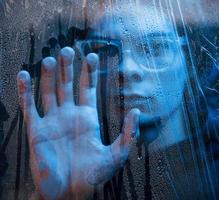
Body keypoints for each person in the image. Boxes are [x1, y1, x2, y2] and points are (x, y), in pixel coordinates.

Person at [16, 1, 215, 199]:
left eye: (155, 47)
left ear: (189, 60)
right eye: (105, 50)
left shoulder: (211, 175)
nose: (126, 69)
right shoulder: (79, 166)